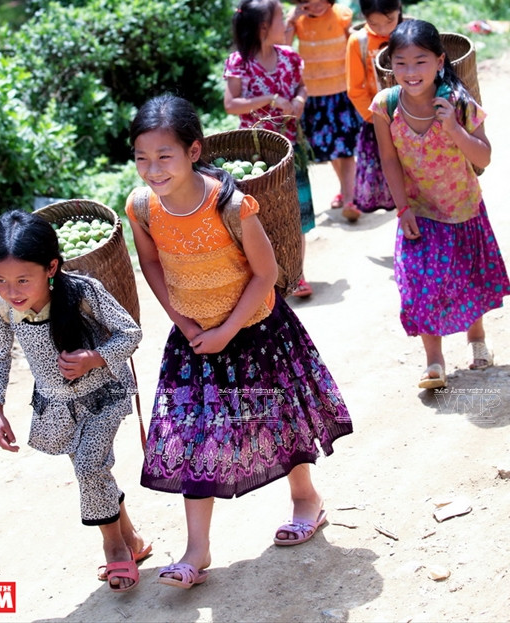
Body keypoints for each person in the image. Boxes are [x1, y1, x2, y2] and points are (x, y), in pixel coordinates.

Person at [125, 94, 352, 589]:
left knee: (280, 420)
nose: (152, 169)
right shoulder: (142, 206)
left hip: (253, 330)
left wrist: (227, 329)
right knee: (194, 438)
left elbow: (266, 272)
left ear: (193, 151)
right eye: (142, 158)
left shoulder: (229, 204)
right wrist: (184, 324)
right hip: (195, 340)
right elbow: (152, 265)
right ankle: (197, 549)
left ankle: (305, 500)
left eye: (164, 156)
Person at [0, 210, 149, 594]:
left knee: (90, 467)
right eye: (1, 280)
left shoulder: (84, 292)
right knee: (96, 470)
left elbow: (130, 333)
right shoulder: (2, 306)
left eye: (23, 279)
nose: (12, 290)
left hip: (103, 394)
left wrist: (94, 357)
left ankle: (115, 548)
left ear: (51, 267)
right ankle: (132, 540)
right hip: (57, 405)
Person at [371, 19, 510, 389]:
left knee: (468, 279)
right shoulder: (385, 106)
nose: (410, 71)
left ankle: (477, 339)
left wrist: (453, 129)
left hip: (462, 206)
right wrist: (402, 208)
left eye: (420, 61)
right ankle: (434, 362)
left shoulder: (458, 103)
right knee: (417, 284)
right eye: (400, 62)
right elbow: (389, 159)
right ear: (391, 65)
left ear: (439, 61)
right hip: (419, 210)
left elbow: (484, 157)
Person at [224, 0, 316, 298]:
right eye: (279, 17)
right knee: (258, 219)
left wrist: (300, 99)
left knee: (294, 213)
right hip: (256, 156)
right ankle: (266, 279)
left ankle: (297, 273)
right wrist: (269, 99)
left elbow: (302, 86)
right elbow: (231, 104)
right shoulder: (239, 62)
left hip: (291, 147)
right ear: (264, 26)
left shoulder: (289, 57)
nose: (286, 21)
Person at [285, 0, 363, 222]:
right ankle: (346, 189)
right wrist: (291, 20)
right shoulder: (297, 22)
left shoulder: (341, 14)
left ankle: (352, 198)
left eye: (322, 0)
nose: (317, 7)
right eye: (309, 3)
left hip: (343, 92)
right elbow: (283, 48)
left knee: (346, 149)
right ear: (298, 1)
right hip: (314, 97)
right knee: (330, 149)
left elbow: (354, 40)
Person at [345, 0, 402, 213]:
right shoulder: (358, 42)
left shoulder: (412, 32)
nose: (384, 29)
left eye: (389, 20)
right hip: (378, 123)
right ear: (364, 16)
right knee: (396, 185)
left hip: (419, 118)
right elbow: (355, 89)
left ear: (399, 8)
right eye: (374, 23)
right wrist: (375, 119)